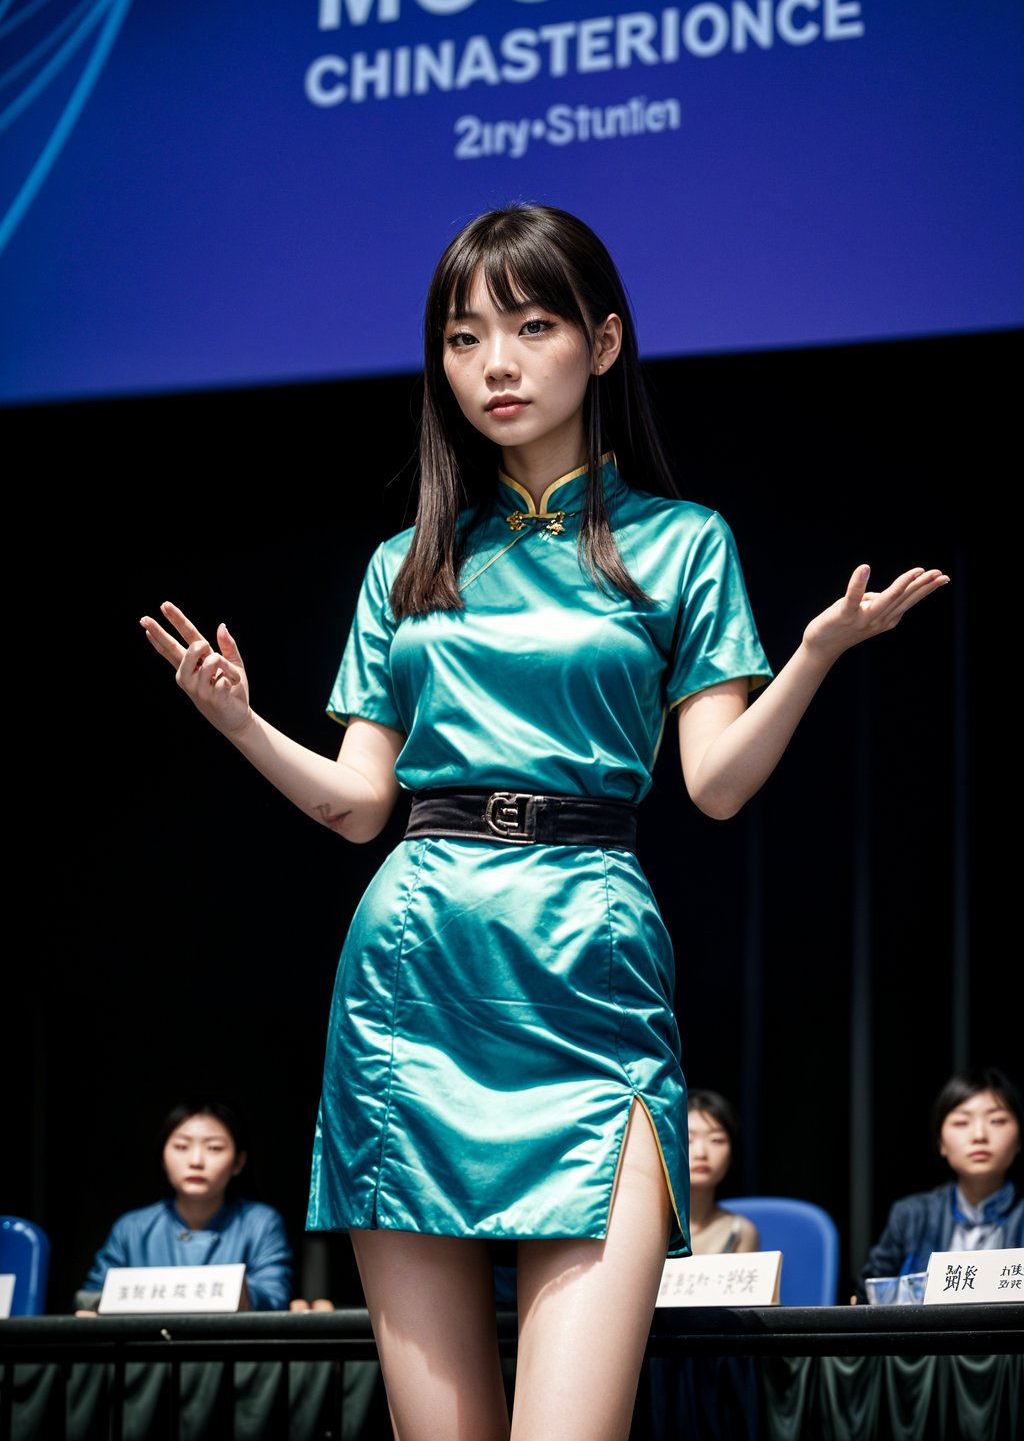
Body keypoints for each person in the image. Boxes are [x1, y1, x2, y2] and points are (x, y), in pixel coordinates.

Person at [141, 202, 947, 1441]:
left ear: (605, 341)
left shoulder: (682, 543)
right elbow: (361, 807)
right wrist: (241, 724)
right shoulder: (407, 561)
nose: (495, 365)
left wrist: (817, 654)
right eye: (464, 340)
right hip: (414, 971)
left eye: (529, 326)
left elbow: (717, 782)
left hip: (588, 962)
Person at [78, 1099, 294, 1312]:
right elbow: (91, 1298)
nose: (196, 1161)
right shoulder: (131, 1227)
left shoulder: (260, 1223)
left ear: (238, 1162)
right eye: (181, 1146)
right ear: (163, 1156)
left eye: (214, 1148)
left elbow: (275, 1296)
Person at [856, 1066, 1023, 1300]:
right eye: (961, 1123)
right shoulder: (911, 1215)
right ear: (941, 1143)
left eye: (996, 1121)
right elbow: (867, 1298)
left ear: (1019, 1140)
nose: (979, 1135)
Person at [687, 1090, 759, 1254]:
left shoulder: (740, 1231)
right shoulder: (641, 1225)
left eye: (716, 1140)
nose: (701, 1153)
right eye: (687, 1139)